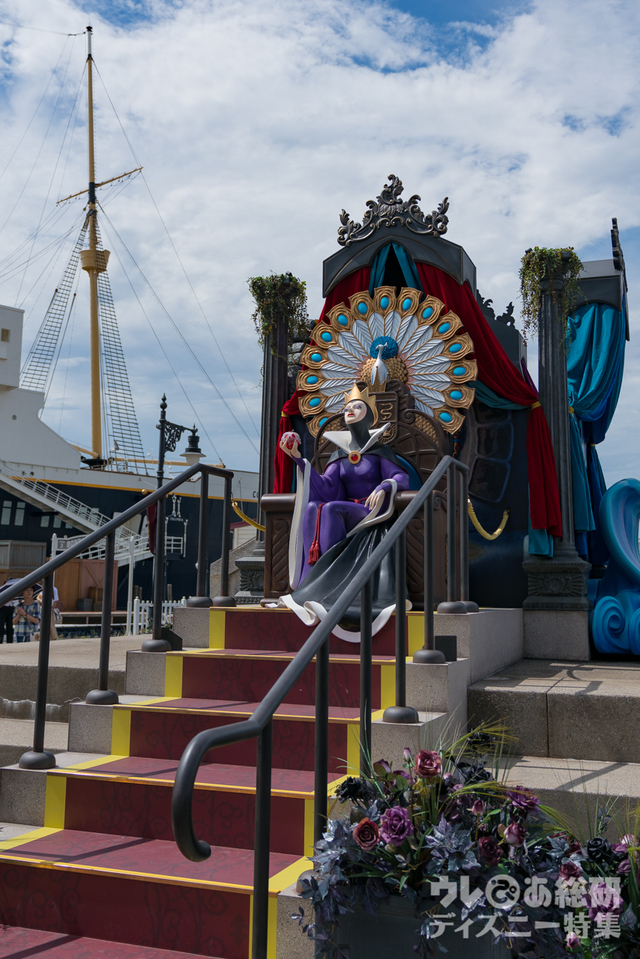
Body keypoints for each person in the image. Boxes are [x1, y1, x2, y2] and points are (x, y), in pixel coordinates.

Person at [278, 383, 410, 641]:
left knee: (331, 509)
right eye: (347, 407)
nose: (350, 410)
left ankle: (329, 579)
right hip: (345, 509)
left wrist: (386, 485)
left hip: (371, 512)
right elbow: (327, 487)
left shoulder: (379, 452)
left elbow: (400, 477)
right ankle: (315, 580)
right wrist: (297, 458)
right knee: (316, 507)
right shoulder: (339, 454)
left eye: (357, 407)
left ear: (369, 416)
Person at [0, 579, 20, 644]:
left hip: (11, 608)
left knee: (10, 626)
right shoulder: (2, 589)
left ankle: (9, 641)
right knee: (1, 625)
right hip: (3, 607)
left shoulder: (15, 590)